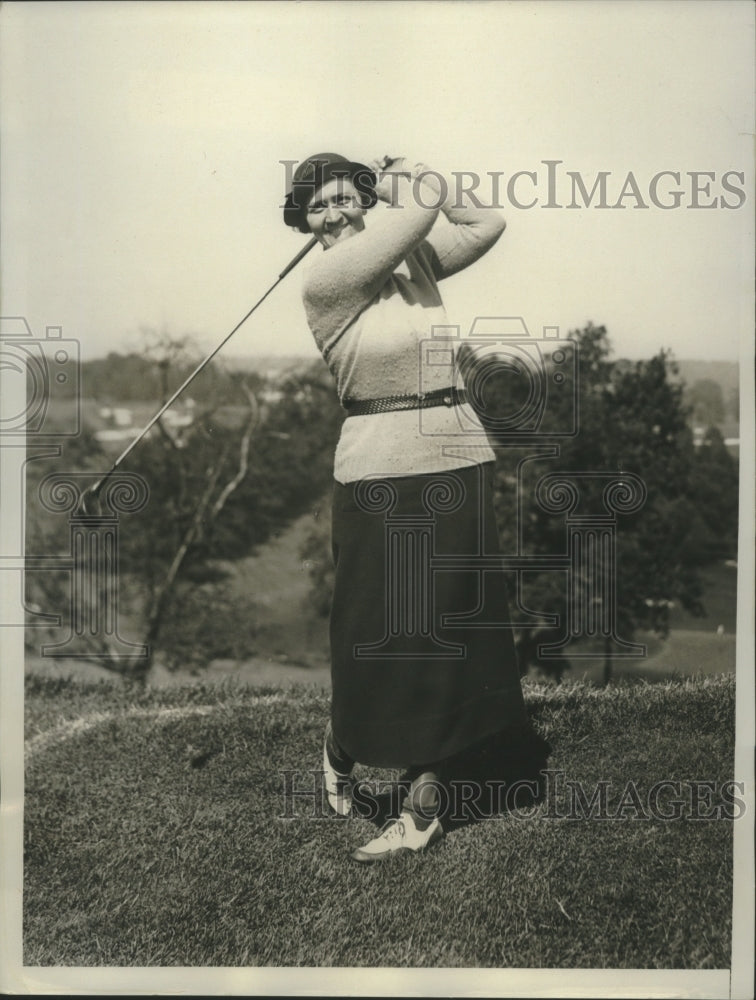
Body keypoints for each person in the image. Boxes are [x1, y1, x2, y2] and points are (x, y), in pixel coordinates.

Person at [283, 152, 544, 862]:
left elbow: (485, 221)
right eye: (318, 206)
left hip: (457, 453)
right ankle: (343, 743)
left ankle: (422, 805)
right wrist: (410, 176)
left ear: (365, 205)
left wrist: (422, 168)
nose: (335, 213)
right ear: (303, 223)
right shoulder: (329, 282)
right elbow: (422, 205)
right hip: (377, 469)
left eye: (345, 198)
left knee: (448, 632)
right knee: (373, 629)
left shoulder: (411, 264)